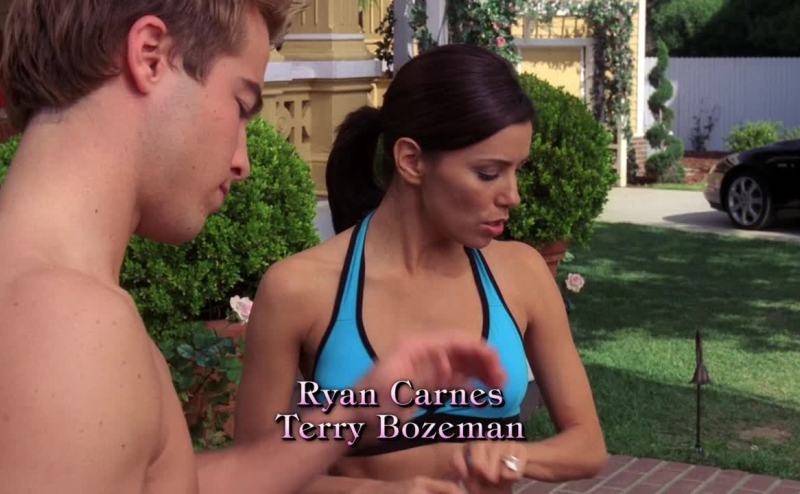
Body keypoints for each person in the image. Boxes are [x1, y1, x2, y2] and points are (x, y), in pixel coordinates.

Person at [0, 3, 508, 493]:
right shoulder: (65, 321)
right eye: (242, 106)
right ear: (151, 55)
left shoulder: (51, 299)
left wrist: (351, 415)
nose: (242, 160)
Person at [235, 44, 609, 493]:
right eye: (489, 173)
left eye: (518, 171)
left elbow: (587, 445)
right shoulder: (300, 289)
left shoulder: (521, 273)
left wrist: (514, 456)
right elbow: (252, 475)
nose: (513, 196)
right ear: (411, 161)